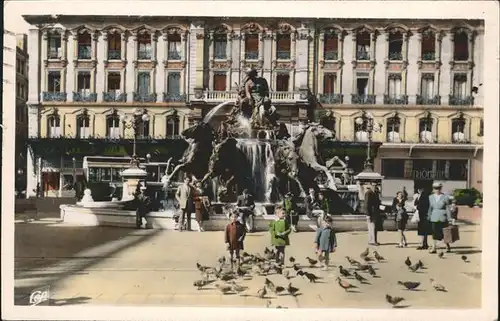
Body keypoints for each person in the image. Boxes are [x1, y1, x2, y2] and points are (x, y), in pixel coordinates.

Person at [428, 182, 452, 253]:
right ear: (433, 189)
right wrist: (429, 215)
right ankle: (434, 248)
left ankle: (447, 246)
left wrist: (449, 218)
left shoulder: (445, 196)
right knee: (434, 233)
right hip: (434, 217)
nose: (437, 190)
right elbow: (430, 207)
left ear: (441, 188)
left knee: (445, 232)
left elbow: (447, 208)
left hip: (443, 217)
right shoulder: (431, 197)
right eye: (435, 188)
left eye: (438, 188)